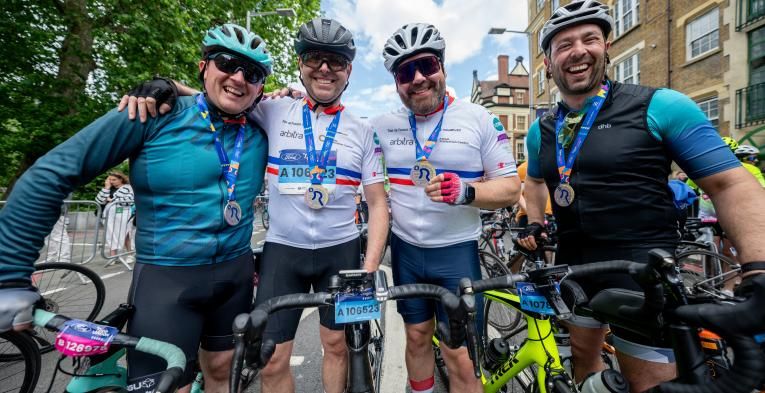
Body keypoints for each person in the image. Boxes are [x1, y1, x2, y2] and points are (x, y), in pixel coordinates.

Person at [119, 18, 389, 393]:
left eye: (336, 61)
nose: (324, 68)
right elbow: (222, 94)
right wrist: (166, 88)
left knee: (337, 346)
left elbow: (378, 205)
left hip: (340, 252)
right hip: (283, 253)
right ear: (300, 63)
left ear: (349, 71)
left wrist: (369, 268)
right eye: (314, 57)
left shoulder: (363, 131)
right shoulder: (272, 110)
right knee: (271, 356)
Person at [0, 23, 272, 393]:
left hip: (234, 275)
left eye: (252, 73)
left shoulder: (259, 128)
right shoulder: (153, 114)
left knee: (223, 374)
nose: (239, 78)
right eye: (227, 63)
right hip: (167, 281)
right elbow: (51, 174)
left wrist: (173, 83)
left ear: (260, 87)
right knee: (166, 384)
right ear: (204, 66)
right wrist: (10, 275)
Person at [516, 1, 765, 391]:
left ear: (607, 46)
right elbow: (533, 181)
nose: (578, 50)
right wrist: (533, 220)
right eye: (563, 44)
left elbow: (730, 184)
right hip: (574, 265)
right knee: (583, 359)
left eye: (589, 39)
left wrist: (758, 267)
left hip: (640, 270)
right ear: (548, 61)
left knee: (647, 384)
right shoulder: (542, 128)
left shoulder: (661, 105)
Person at [374, 23, 521, 393]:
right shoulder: (382, 125)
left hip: (457, 254)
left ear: (442, 67)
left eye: (426, 66)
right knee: (418, 338)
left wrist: (467, 192)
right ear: (396, 82)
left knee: (461, 354)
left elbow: (510, 187)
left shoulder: (479, 118)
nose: (418, 79)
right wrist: (295, 97)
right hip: (407, 252)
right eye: (406, 72)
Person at [95, 171, 134, 259]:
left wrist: (111, 200)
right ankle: (113, 256)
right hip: (109, 215)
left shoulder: (128, 188)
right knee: (110, 234)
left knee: (125, 233)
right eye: (110, 180)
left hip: (123, 214)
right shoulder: (109, 189)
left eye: (114, 179)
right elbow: (99, 200)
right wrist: (106, 187)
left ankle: (130, 255)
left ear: (121, 179)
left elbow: (130, 199)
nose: (112, 181)